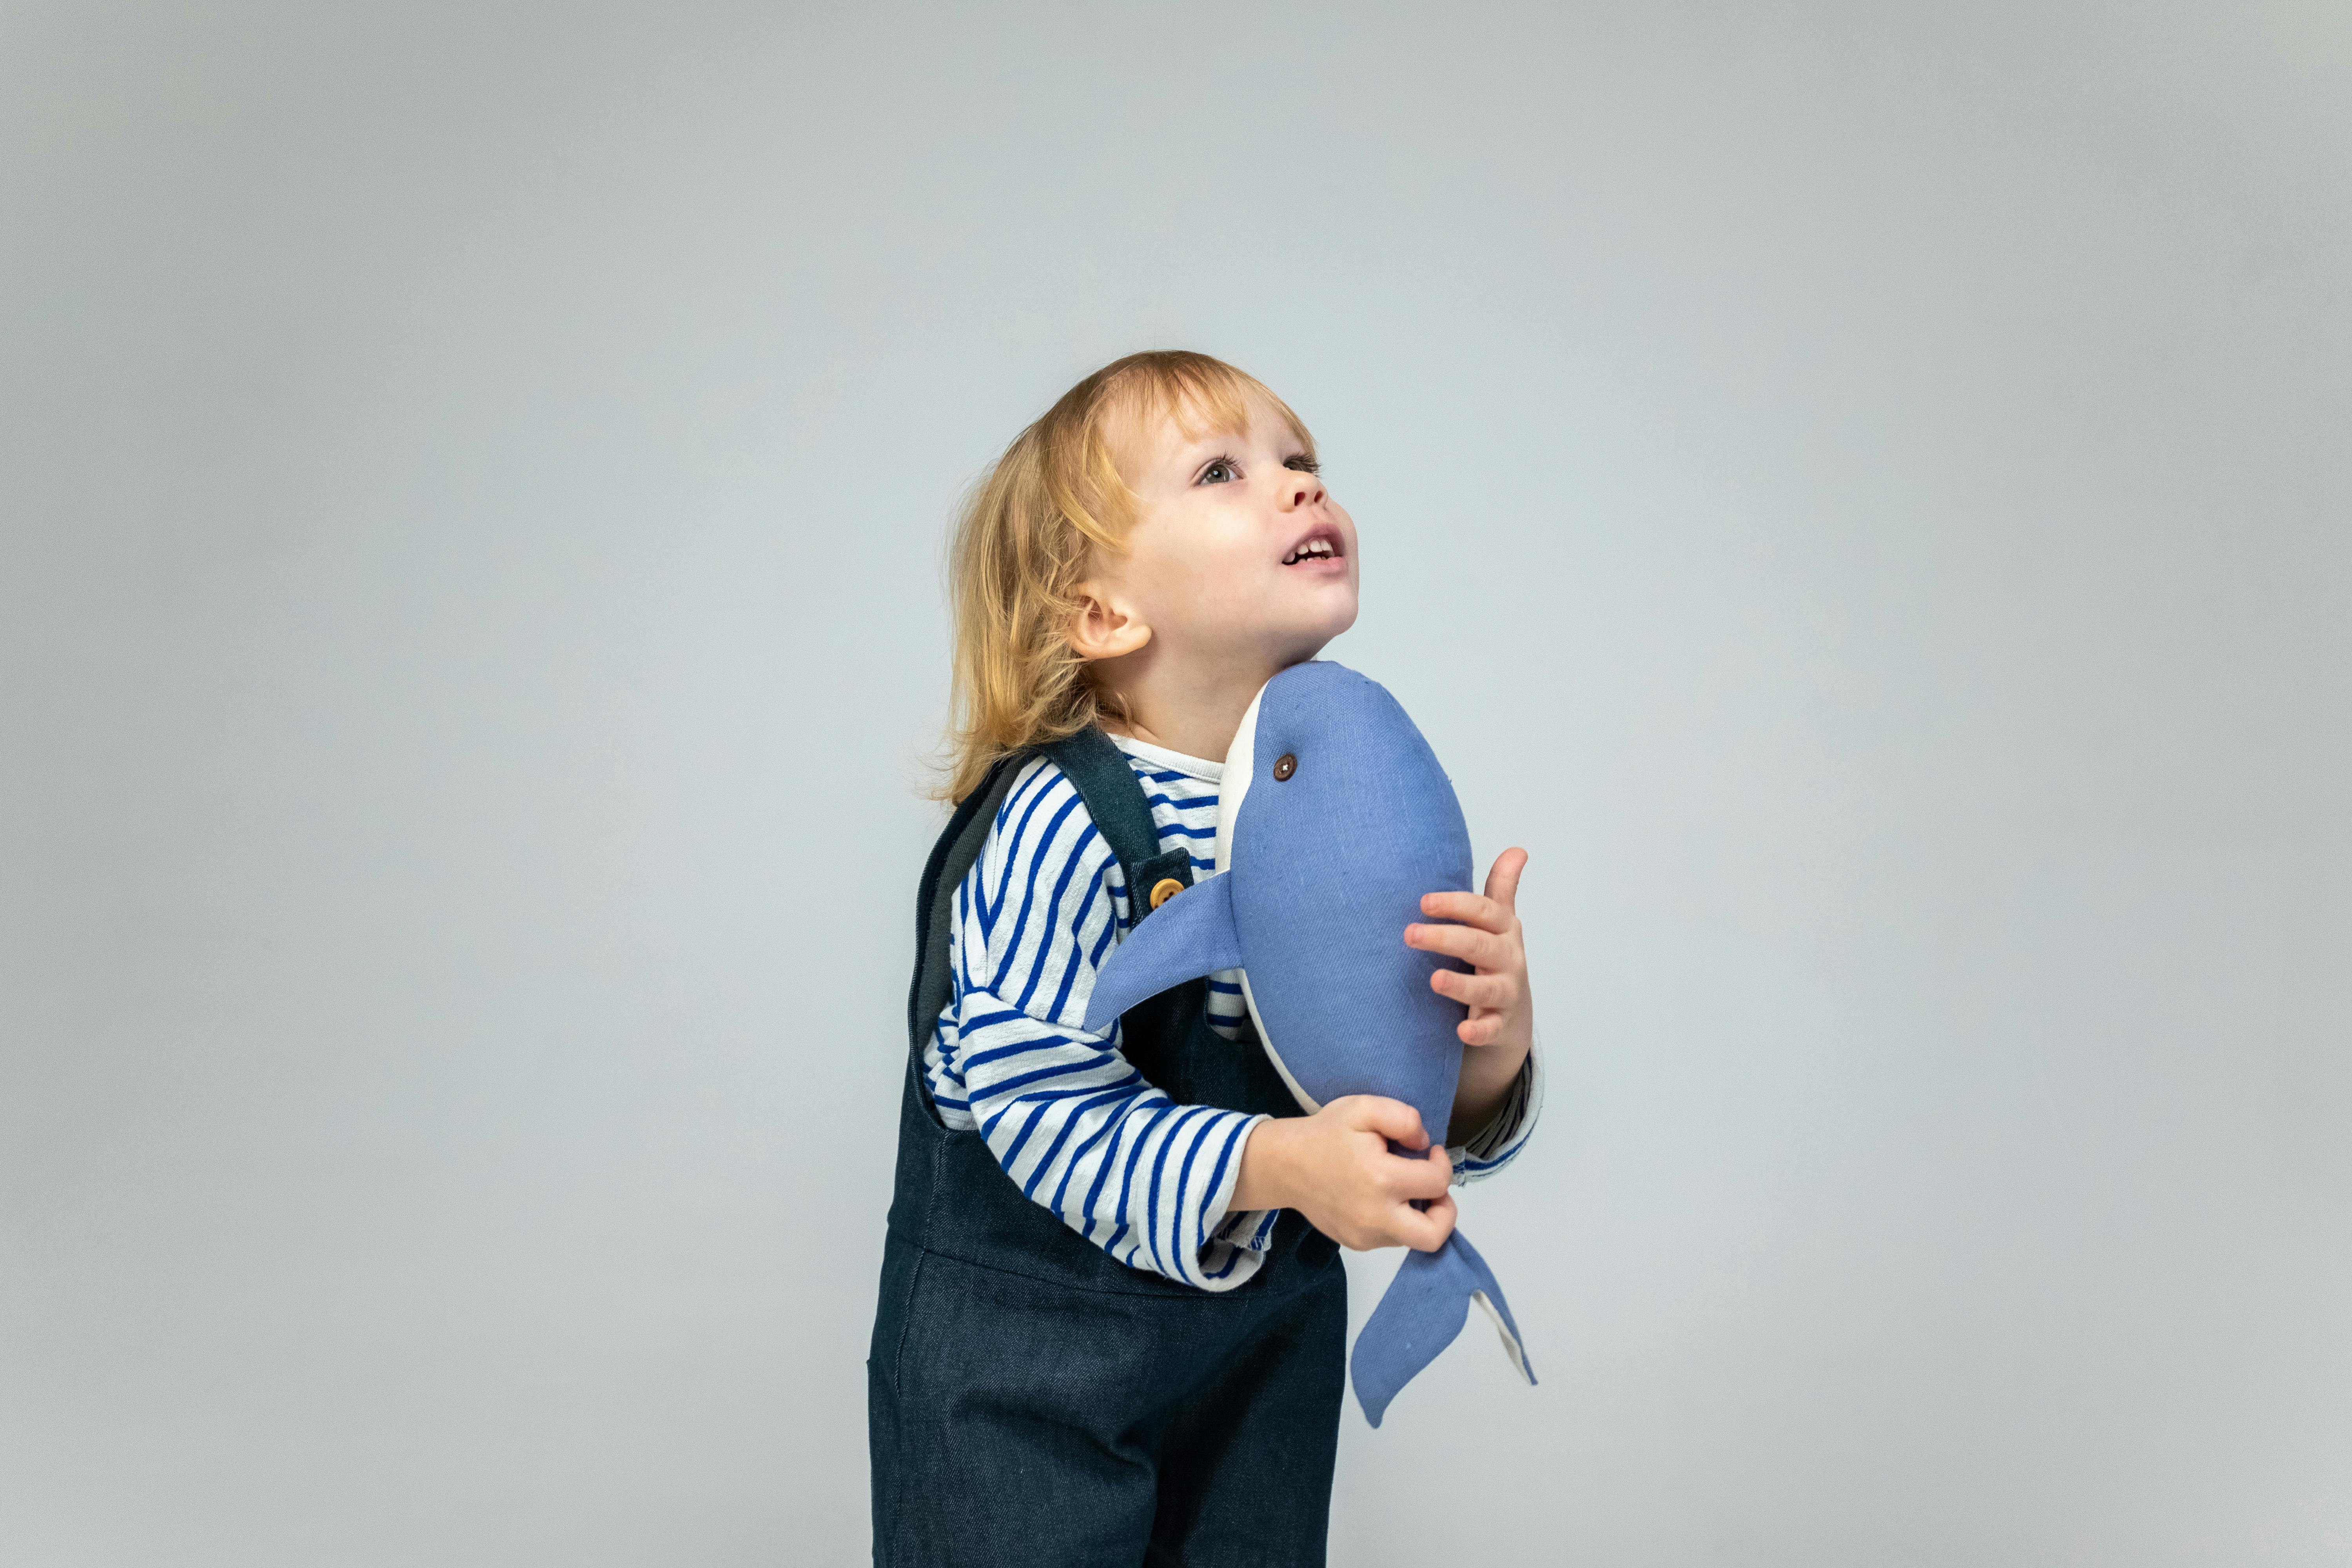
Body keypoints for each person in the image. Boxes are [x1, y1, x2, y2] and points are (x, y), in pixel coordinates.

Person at [867, 350, 1546, 1565]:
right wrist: (1284, 1162)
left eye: (1303, 462)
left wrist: (1489, 1047)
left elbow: (1381, 1089)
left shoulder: (1345, 803)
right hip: (1022, 1371)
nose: (1299, 488)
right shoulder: (1059, 820)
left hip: (1258, 1362)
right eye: (1225, 472)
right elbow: (1029, 1098)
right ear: (1103, 612)